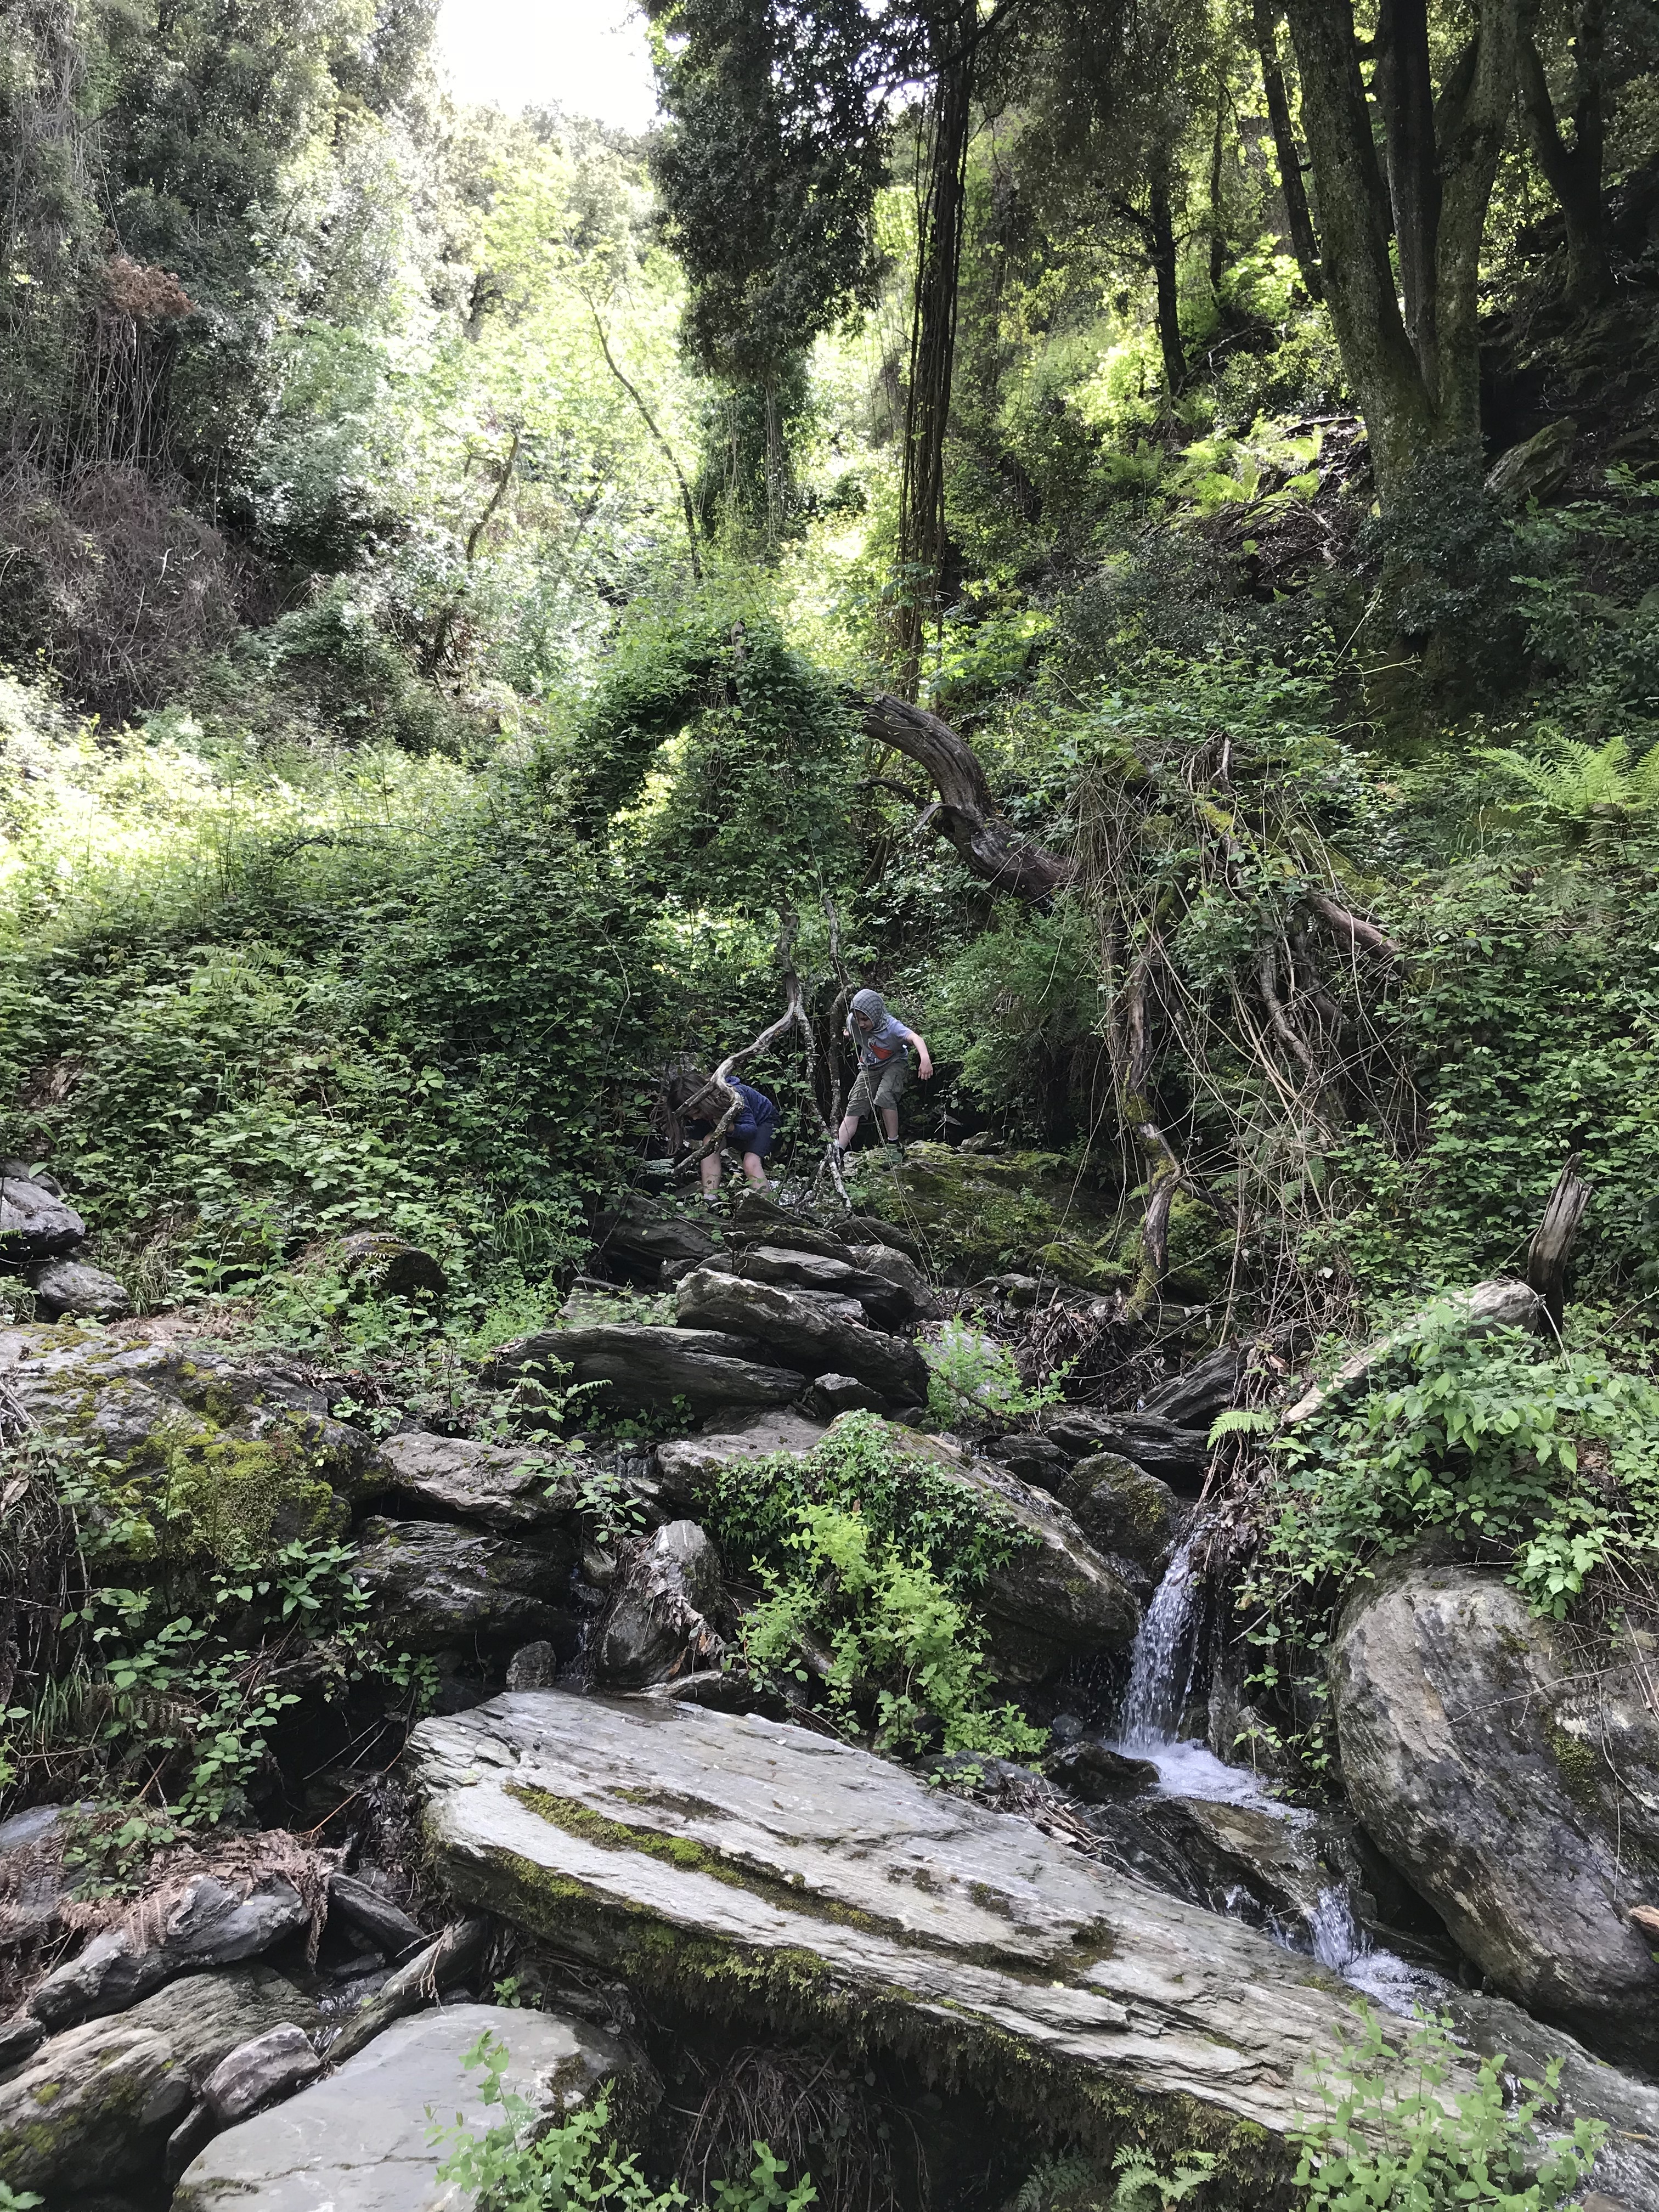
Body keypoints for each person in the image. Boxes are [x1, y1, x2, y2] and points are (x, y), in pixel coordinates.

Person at [834, 986, 932, 1163]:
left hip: (894, 1063)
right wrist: (849, 1033)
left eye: (865, 1019)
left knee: (885, 1096)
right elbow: (850, 1031)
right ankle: (838, 1151)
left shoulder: (892, 1027)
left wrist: (925, 1058)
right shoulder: (853, 1022)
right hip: (869, 1067)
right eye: (858, 1019)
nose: (861, 1023)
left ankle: (894, 1146)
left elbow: (916, 1038)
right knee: (854, 1106)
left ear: (876, 1015)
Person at [668, 1069, 779, 1199]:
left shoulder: (733, 1095)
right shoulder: (703, 1110)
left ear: (704, 1101)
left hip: (764, 1123)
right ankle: (710, 1199)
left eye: (697, 1113)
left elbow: (750, 1131)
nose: (695, 1119)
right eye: (690, 1116)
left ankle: (766, 1205)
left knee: (750, 1162)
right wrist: (685, 1132)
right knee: (709, 1143)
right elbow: (702, 1131)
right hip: (729, 1127)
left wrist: (731, 1128)